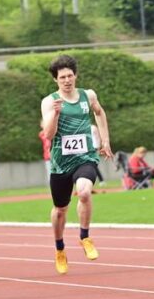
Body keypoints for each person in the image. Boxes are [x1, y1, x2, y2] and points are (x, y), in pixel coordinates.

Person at [40, 54, 113, 275]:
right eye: (62, 77)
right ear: (56, 80)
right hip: (61, 163)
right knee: (60, 210)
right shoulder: (49, 101)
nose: (67, 80)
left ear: (76, 75)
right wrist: (55, 114)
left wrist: (105, 140)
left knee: (83, 193)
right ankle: (59, 249)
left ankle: (85, 236)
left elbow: (99, 113)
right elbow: (49, 135)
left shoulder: (87, 95)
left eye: (70, 75)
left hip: (86, 157)